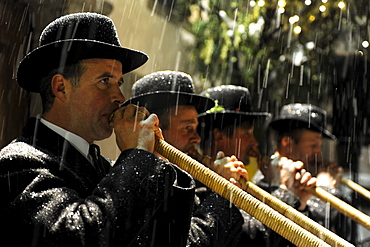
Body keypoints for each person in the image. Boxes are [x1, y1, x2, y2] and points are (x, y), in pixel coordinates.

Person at [0, 13, 196, 247]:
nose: (120, 97)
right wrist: (137, 159)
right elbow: (80, 238)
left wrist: (156, 163)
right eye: (105, 81)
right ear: (61, 88)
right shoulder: (18, 163)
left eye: (119, 83)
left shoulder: (107, 167)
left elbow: (166, 240)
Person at [125, 71, 249, 246]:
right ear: (155, 129)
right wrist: (223, 195)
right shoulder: (138, 185)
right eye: (187, 128)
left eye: (196, 129)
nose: (196, 138)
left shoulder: (185, 182)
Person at [198, 86, 318, 246]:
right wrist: (280, 190)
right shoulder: (197, 185)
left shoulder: (242, 181)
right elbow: (251, 240)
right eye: (247, 134)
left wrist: (299, 201)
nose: (255, 143)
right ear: (219, 136)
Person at [258, 103, 350, 240]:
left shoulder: (303, 176)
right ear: (288, 144)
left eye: (319, 146)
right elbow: (309, 236)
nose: (318, 153)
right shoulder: (267, 181)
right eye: (313, 146)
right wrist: (326, 190)